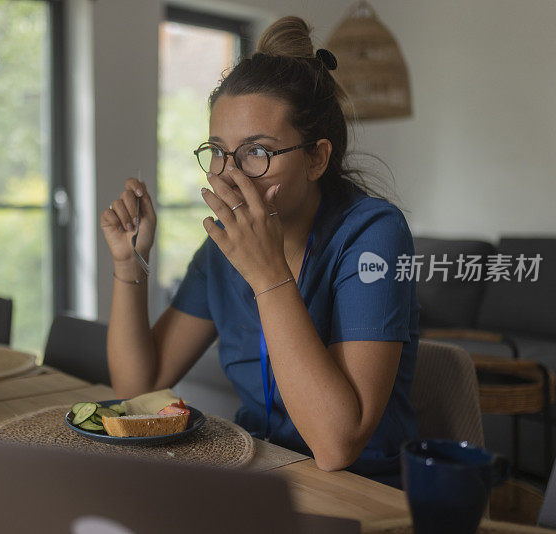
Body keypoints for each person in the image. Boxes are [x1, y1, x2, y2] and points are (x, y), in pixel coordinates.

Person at [100, 16, 420, 488]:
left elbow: (336, 447)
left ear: (316, 158)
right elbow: (137, 389)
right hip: (257, 473)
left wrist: (268, 276)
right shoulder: (220, 253)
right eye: (218, 151)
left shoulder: (373, 235)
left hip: (364, 491)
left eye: (257, 152)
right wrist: (130, 263)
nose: (230, 175)